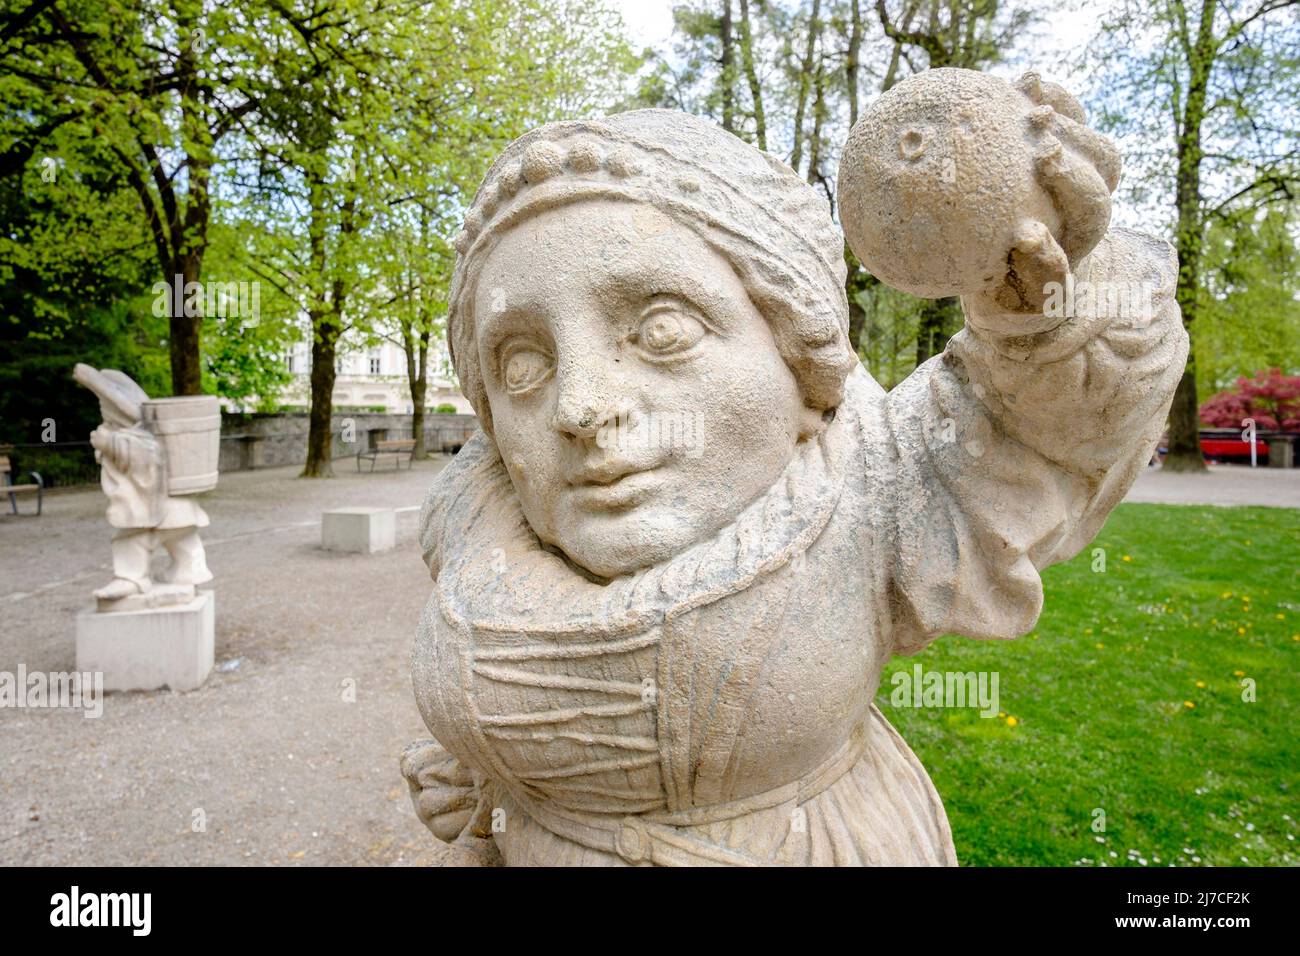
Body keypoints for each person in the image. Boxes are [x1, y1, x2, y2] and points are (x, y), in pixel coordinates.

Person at [403, 73, 1188, 866]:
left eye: (663, 327)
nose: (578, 407)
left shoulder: (880, 486)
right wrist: (490, 780)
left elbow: (1057, 416)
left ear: (797, 357)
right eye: (524, 363)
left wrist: (1048, 287)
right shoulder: (474, 518)